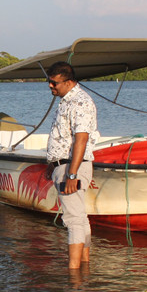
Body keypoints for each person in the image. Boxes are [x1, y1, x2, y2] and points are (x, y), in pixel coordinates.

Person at [45, 61, 98, 270]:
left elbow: (81, 140)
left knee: (73, 219)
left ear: (68, 82)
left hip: (72, 167)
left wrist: (72, 175)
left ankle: (73, 271)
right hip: (64, 165)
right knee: (80, 218)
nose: (50, 86)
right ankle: (84, 265)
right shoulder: (66, 101)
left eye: (54, 83)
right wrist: (52, 164)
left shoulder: (80, 102)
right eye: (49, 82)